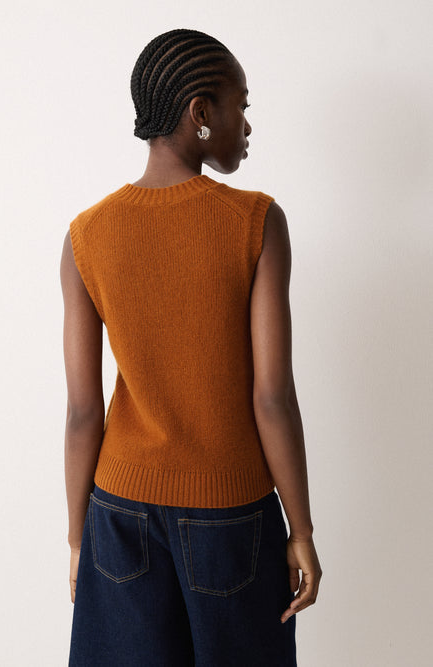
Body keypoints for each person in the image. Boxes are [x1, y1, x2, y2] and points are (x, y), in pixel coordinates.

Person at [60, 28, 322, 667]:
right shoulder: (256, 221)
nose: (247, 124)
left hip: (117, 514)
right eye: (241, 106)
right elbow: (272, 396)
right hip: (231, 517)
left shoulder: (85, 235)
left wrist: (77, 539)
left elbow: (83, 412)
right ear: (200, 112)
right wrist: (302, 530)